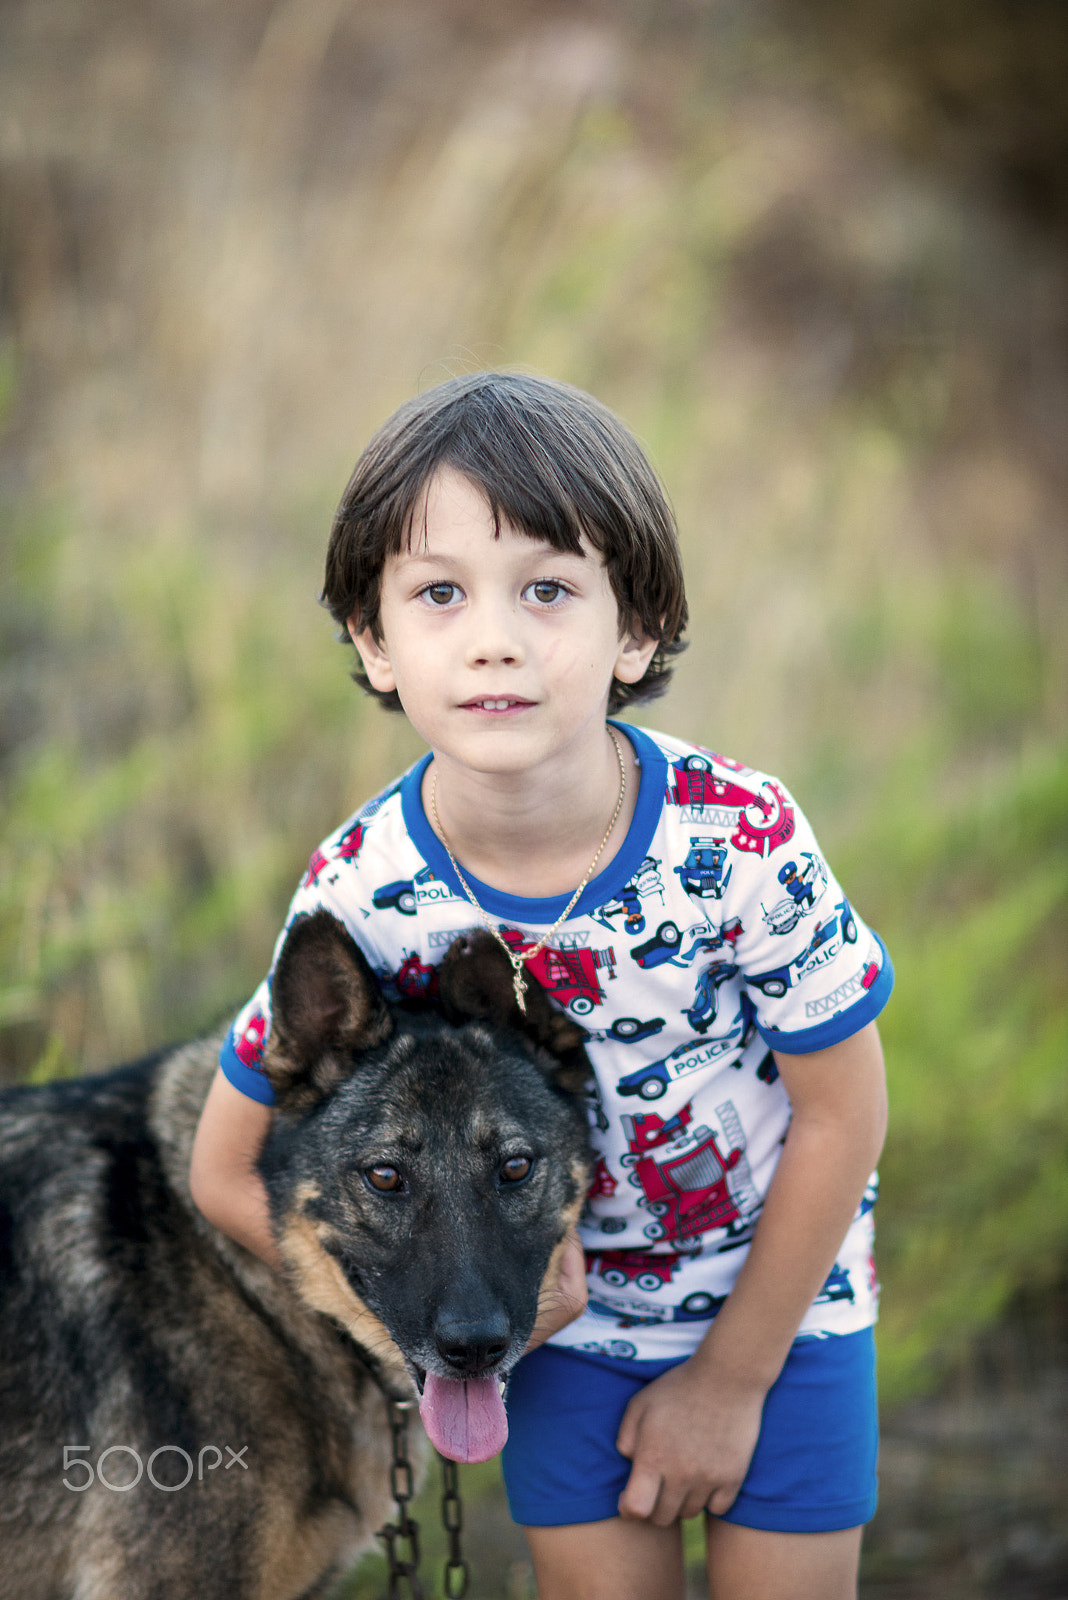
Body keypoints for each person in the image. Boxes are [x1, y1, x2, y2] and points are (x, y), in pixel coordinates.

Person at [190, 371, 891, 1600]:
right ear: (374, 640)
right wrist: (419, 1327)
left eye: (549, 590)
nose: (495, 636)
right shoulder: (366, 884)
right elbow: (222, 1166)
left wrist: (730, 1381)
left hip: (788, 1319)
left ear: (636, 632)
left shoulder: (738, 839)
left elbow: (844, 1111)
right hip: (551, 1342)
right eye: (440, 593)